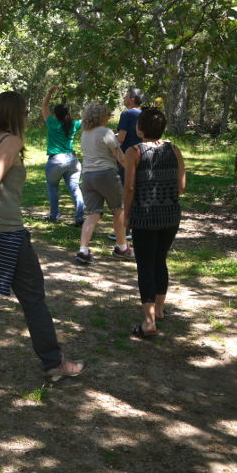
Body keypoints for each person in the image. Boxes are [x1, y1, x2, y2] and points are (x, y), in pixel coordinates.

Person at [0, 91, 87, 386]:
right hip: (6, 234)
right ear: (17, 114)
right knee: (33, 299)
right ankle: (53, 363)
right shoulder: (10, 141)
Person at [123, 108, 185, 338]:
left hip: (145, 216)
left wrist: (126, 214)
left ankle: (148, 322)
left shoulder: (134, 151)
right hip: (170, 215)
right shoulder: (174, 149)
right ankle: (158, 310)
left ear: (140, 128)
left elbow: (129, 187)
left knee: (145, 266)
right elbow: (182, 186)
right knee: (160, 260)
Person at [75, 101, 135, 264]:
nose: (109, 116)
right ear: (100, 116)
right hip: (106, 175)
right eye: (107, 114)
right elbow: (121, 157)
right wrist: (133, 174)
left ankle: (83, 251)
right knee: (119, 210)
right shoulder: (105, 132)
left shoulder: (85, 133)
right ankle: (122, 248)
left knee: (93, 214)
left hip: (87, 177)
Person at [41, 85, 84, 226]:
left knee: (53, 188)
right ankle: (79, 218)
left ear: (55, 114)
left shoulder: (52, 122)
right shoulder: (74, 124)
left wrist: (51, 90)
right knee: (75, 188)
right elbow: (88, 119)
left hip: (56, 160)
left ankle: (54, 216)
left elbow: (44, 105)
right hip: (73, 160)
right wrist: (105, 115)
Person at [108, 86, 144, 241]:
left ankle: (125, 230)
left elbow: (121, 138)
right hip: (143, 156)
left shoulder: (127, 114)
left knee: (124, 194)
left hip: (126, 159)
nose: (124, 98)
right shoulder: (144, 114)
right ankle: (138, 227)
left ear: (132, 100)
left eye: (126, 96)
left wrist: (108, 142)